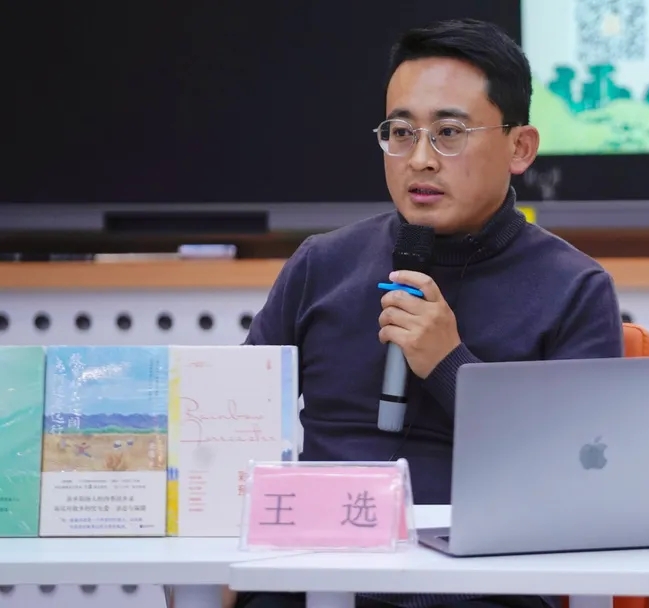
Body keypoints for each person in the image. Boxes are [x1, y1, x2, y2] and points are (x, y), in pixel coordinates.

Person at [232, 17, 624, 608]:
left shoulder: (573, 287)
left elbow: (582, 477)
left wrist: (450, 365)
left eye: (449, 133)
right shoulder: (322, 265)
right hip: (313, 571)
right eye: (400, 132)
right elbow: (238, 428)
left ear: (520, 147)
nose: (419, 159)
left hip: (480, 584)